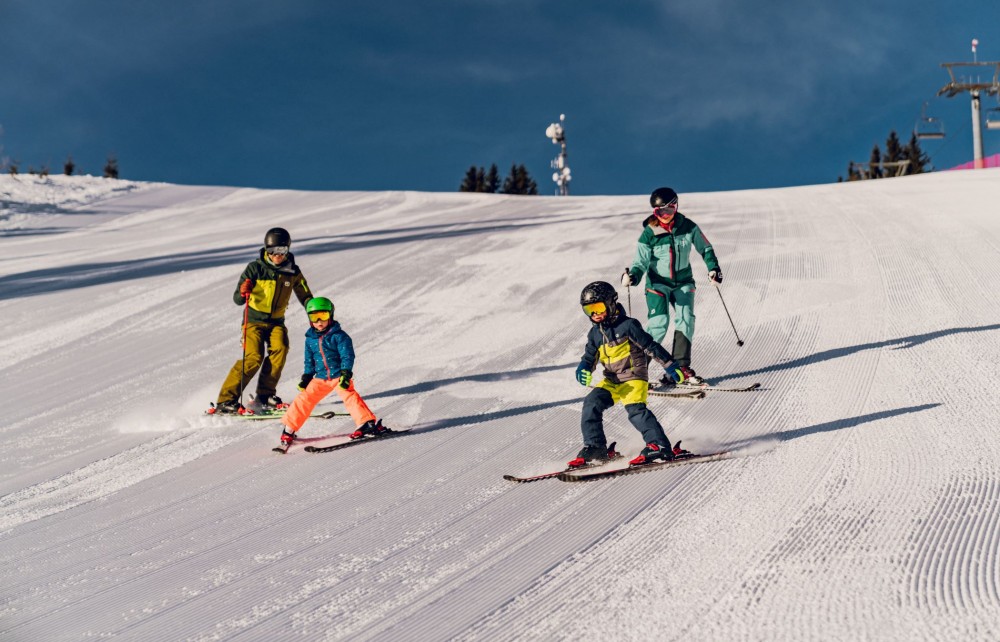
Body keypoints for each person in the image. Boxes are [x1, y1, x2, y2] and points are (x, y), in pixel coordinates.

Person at [570, 281, 692, 468]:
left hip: (634, 378)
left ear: (611, 303)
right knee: (591, 403)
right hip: (612, 380)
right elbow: (589, 357)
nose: (595, 314)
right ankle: (595, 447)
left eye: (598, 307)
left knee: (635, 410)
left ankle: (659, 445)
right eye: (589, 310)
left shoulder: (628, 326)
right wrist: (583, 369)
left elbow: (651, 347)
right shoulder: (595, 334)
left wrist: (670, 365)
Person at [621, 187, 722, 388]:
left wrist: (713, 268)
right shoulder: (649, 234)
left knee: (686, 320)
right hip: (657, 283)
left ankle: (680, 369)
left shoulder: (688, 226)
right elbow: (640, 262)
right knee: (658, 324)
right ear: (654, 212)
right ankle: (637, 371)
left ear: (676, 207)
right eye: (660, 212)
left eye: (669, 210)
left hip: (683, 282)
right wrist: (633, 276)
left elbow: (706, 248)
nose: (665, 216)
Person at [209, 227, 313, 414]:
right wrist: (244, 289)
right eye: (272, 251)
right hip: (253, 321)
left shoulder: (292, 272)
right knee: (254, 357)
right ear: (266, 250)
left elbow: (305, 295)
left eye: (282, 251)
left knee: (280, 348)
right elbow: (237, 299)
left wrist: (315, 312)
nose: (277, 255)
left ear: (288, 250)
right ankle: (226, 400)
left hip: (276, 323)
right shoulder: (255, 268)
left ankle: (264, 396)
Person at [277, 296, 390, 449]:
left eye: (323, 315)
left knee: (349, 395)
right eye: (314, 317)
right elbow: (309, 360)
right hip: (321, 378)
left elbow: (347, 356)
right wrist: (307, 377)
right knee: (304, 399)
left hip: (338, 376)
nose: (319, 321)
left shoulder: (339, 336)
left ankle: (366, 424)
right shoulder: (310, 339)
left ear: (330, 315)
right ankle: (289, 429)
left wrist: (346, 374)